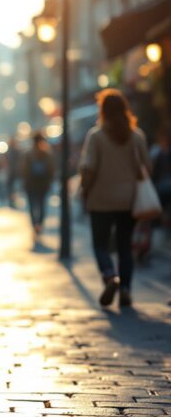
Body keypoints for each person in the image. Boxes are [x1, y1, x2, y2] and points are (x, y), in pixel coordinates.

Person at [79, 89, 151, 308]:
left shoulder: (96, 136)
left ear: (102, 111)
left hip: (100, 199)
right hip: (129, 199)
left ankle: (110, 276)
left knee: (100, 245)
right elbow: (147, 167)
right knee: (124, 246)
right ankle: (126, 289)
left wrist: (85, 190)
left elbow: (88, 168)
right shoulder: (137, 136)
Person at [22, 132, 55, 236]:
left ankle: (35, 225)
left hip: (31, 184)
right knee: (41, 205)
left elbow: (23, 170)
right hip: (42, 184)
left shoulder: (28, 154)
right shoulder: (46, 153)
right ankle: (39, 225)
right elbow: (51, 169)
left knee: (32, 206)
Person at [6, 138, 23, 207]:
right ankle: (12, 201)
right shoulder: (15, 151)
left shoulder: (10, 151)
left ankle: (12, 201)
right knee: (13, 188)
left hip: (13, 172)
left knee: (13, 188)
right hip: (13, 172)